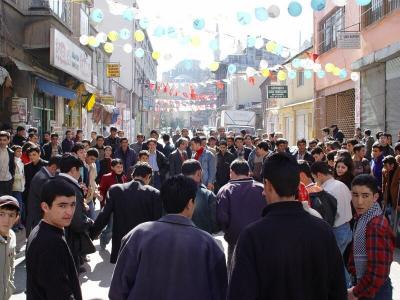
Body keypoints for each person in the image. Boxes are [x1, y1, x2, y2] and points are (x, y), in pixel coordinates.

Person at [228, 153, 346, 300]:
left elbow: (240, 293)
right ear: (298, 185)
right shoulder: (323, 230)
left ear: (268, 185)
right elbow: (338, 290)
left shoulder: (252, 236)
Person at [109, 175, 227, 300]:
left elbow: (117, 290)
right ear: (190, 203)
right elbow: (220, 292)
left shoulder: (137, 234)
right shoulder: (208, 244)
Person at [91, 162, 162, 263]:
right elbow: (157, 222)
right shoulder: (154, 193)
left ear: (133, 175)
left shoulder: (115, 189)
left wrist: (91, 235)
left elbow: (104, 215)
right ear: (148, 176)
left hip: (121, 243)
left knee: (121, 275)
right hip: (144, 243)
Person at [26, 179, 82, 300]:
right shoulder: (51, 243)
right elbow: (59, 294)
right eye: (62, 205)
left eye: (72, 204)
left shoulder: (42, 229)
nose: (70, 211)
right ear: (45, 207)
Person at [348, 175, 395, 300]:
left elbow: (377, 273)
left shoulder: (375, 225)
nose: (359, 202)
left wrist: (355, 293)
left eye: (365, 195)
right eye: (355, 195)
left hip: (373, 291)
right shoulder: (364, 217)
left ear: (375, 197)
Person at [217, 159, 265, 269]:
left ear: (231, 172)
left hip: (235, 241)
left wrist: (229, 232)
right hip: (260, 242)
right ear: (248, 172)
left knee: (235, 275)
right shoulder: (262, 188)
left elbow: (222, 218)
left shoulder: (225, 190)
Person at [311, 161, 353, 287]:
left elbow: (328, 217)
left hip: (337, 231)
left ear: (318, 174)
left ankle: (348, 287)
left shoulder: (326, 190)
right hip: (347, 228)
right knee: (338, 261)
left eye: (314, 177)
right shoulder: (341, 184)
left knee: (336, 264)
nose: (315, 181)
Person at [57, 154, 94, 271]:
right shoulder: (72, 187)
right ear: (73, 169)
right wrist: (88, 223)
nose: (80, 174)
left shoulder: (53, 181)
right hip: (69, 235)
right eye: (80, 170)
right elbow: (77, 222)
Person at [25, 156, 61, 237]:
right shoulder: (43, 179)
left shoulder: (43, 174)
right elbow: (47, 199)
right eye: (58, 171)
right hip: (38, 219)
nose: (58, 173)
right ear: (53, 167)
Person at [182, 160, 219, 234]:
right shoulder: (208, 195)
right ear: (199, 173)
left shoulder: (171, 192)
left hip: (178, 241)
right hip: (202, 240)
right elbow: (215, 225)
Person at [97, 159, 127, 250]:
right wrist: (101, 196)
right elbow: (101, 189)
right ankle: (103, 238)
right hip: (110, 206)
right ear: (112, 167)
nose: (120, 169)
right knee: (111, 228)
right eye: (117, 167)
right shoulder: (106, 177)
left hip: (121, 206)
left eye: (121, 167)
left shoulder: (124, 177)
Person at [0, 195, 20, 300]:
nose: (6, 220)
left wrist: (10, 286)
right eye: (1, 214)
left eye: (11, 215)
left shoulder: (12, 236)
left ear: (17, 218)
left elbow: (11, 265)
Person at [382, 155, 400, 230]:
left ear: (392, 165)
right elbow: (384, 184)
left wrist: (399, 203)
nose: (385, 167)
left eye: (386, 165)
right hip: (389, 199)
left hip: (397, 199)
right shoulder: (385, 170)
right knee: (391, 220)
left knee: (396, 220)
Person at [84, 148, 99, 220]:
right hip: (82, 199)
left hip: (90, 197)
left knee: (93, 220)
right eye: (91, 159)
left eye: (94, 160)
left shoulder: (94, 165)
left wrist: (96, 190)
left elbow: (93, 181)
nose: (92, 161)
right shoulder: (81, 166)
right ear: (86, 155)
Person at [0, 131, 15, 197]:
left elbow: (12, 167)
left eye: (4, 140)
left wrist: (11, 179)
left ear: (8, 140)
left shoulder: (11, 152)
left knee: (7, 203)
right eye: (0, 140)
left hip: (8, 181)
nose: (2, 142)